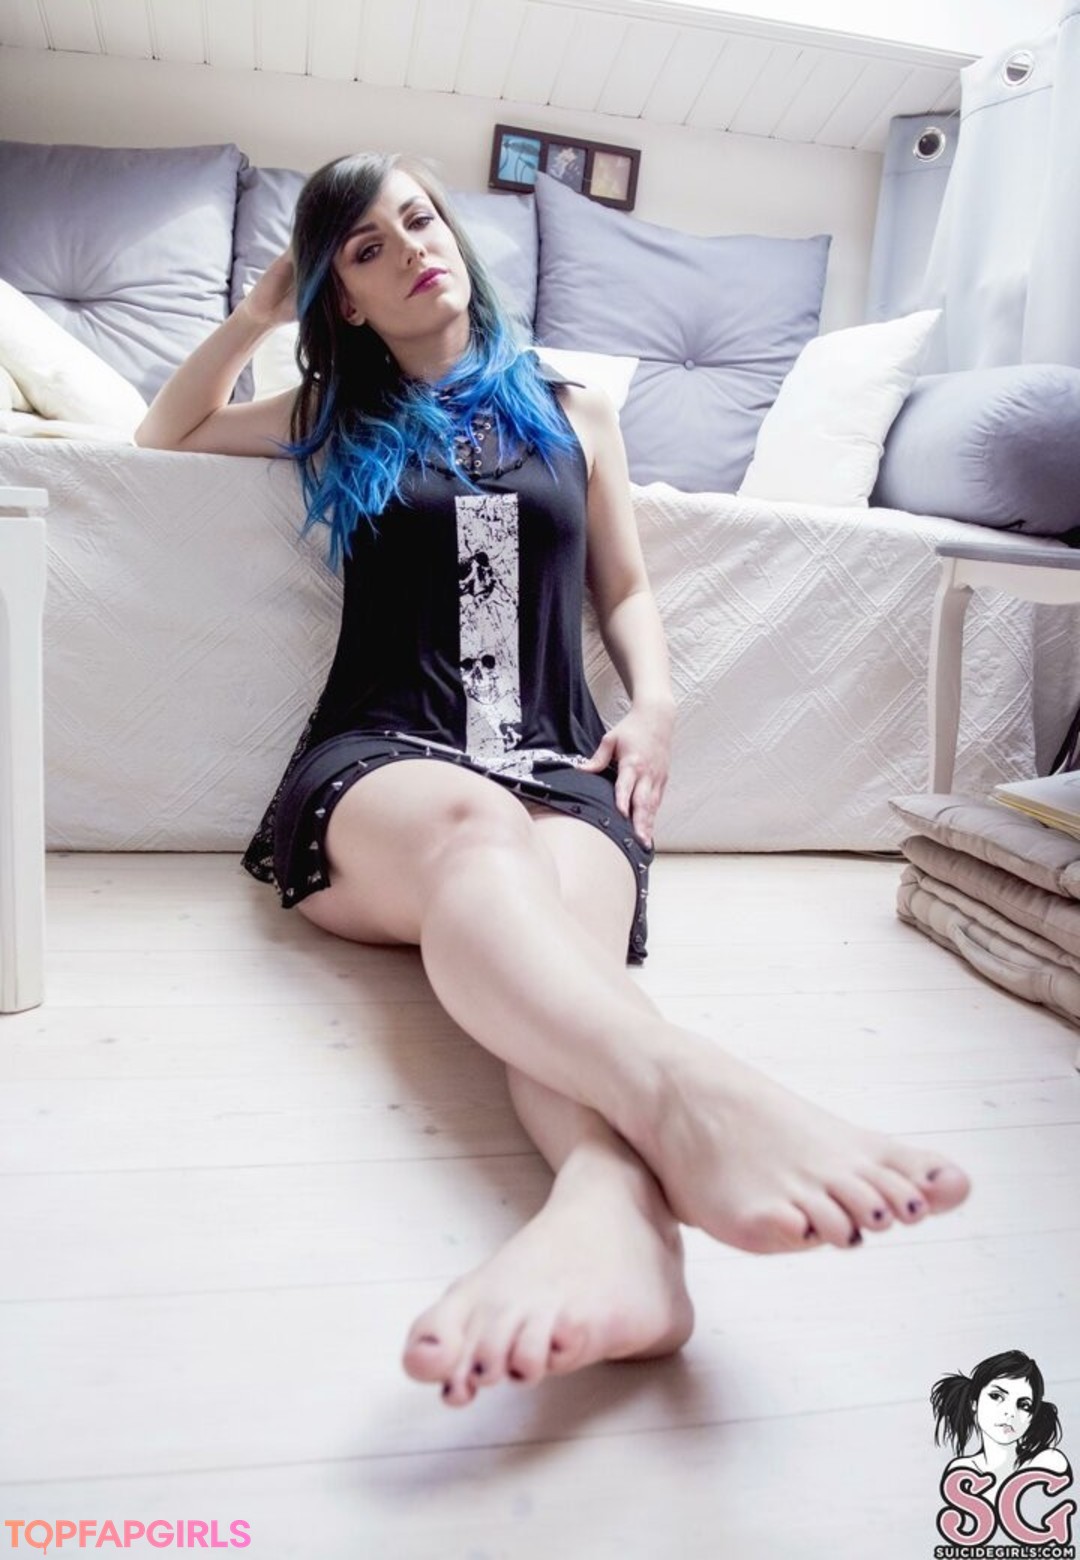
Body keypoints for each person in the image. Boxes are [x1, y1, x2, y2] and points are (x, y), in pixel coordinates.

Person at [136, 151, 971, 1410]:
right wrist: (260, 314)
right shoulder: (334, 412)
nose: (412, 248)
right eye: (366, 249)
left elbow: (622, 587)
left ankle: (613, 1229)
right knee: (481, 835)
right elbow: (168, 432)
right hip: (388, 760)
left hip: (560, 761)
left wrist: (658, 705)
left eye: (420, 219)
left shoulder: (575, 411)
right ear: (344, 298)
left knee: (557, 947)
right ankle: (699, 1094)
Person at [932, 1351, 1070, 1507]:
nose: (1010, 1413)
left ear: (1033, 1416)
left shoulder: (1048, 1462)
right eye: (996, 1396)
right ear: (974, 1402)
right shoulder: (962, 1472)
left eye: (1024, 1405)